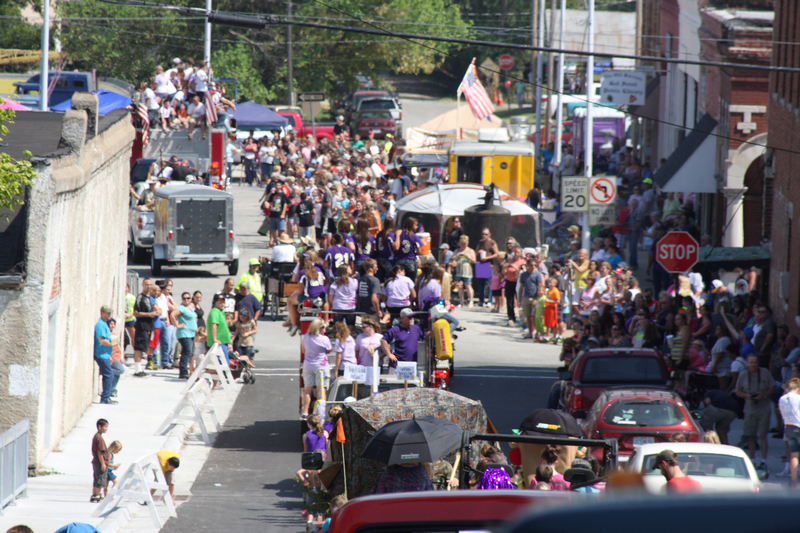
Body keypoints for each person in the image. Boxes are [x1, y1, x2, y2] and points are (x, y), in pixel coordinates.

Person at [736, 353, 775, 468]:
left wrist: (763, 395)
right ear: (747, 364)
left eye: (755, 362)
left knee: (763, 435)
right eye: (751, 363)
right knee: (750, 436)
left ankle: (764, 461)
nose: (753, 365)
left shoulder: (765, 373)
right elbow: (738, 392)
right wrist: (746, 395)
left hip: (763, 409)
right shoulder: (743, 375)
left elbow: (772, 387)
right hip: (749, 410)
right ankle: (752, 460)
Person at [300, 318, 331, 418]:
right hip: (321, 367)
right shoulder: (324, 339)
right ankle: (319, 413)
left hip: (308, 366)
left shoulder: (305, 337)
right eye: (323, 327)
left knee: (307, 389)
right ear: (318, 328)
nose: (325, 328)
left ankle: (305, 412)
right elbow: (329, 350)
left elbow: (303, 350)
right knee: (321, 390)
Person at [132, 278, 157, 377]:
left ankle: (140, 368)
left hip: (148, 327)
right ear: (142, 285)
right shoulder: (140, 297)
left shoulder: (149, 298)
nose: (149, 287)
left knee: (144, 348)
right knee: (139, 348)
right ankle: (137, 370)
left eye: (150, 285)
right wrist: (148, 314)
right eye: (147, 285)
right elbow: (136, 313)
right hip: (141, 326)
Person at [171, 292, 198, 379]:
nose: (186, 300)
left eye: (188, 298)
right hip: (184, 333)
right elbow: (172, 315)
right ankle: (183, 372)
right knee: (187, 351)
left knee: (189, 352)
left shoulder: (190, 307)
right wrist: (177, 325)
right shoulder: (181, 308)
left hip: (191, 333)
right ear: (182, 299)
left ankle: (187, 370)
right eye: (184, 298)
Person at [779, 378, 800, 486]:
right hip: (798, 426)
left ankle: (793, 479)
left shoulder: (782, 399)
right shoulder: (798, 398)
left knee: (794, 455)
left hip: (788, 427)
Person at [94, 305, 117, 405]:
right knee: (109, 375)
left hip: (105, 354)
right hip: (101, 354)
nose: (109, 315)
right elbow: (101, 340)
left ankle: (106, 396)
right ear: (102, 313)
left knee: (108, 375)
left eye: (110, 313)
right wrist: (112, 344)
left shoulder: (104, 324)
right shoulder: (100, 325)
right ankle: (105, 398)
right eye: (107, 313)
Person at [518, 259, 543, 340]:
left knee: (534, 316)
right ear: (527, 265)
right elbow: (521, 287)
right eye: (531, 265)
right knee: (528, 316)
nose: (533, 267)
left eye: (535, 265)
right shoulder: (523, 275)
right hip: (526, 297)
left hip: (534, 297)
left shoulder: (537, 274)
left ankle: (535, 332)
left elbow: (540, 287)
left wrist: (536, 299)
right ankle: (530, 332)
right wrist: (519, 299)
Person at [474, 228, 499, 307]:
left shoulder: (492, 242)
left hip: (488, 264)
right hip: (481, 264)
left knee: (489, 283)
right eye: (483, 234)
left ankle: (490, 301)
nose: (484, 236)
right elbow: (476, 251)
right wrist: (479, 252)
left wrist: (487, 258)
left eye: (486, 234)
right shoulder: (480, 242)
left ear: (489, 234)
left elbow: (496, 254)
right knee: (481, 284)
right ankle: (481, 300)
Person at [502, 242, 525, 327]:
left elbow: (520, 273)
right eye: (515, 253)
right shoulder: (510, 261)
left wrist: (515, 267)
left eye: (518, 253)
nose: (516, 254)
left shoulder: (522, 262)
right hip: (509, 281)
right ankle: (511, 317)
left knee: (519, 300)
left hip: (518, 283)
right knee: (509, 300)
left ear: (520, 254)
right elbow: (505, 273)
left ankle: (522, 318)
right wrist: (505, 267)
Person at [207, 293, 233, 365]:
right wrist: (215, 339)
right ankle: (201, 374)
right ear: (215, 303)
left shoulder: (221, 312)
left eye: (223, 302)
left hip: (223, 343)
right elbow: (214, 324)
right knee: (221, 364)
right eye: (220, 302)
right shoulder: (215, 311)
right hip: (218, 344)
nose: (222, 304)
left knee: (224, 364)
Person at [453, 235, 476, 307]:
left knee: (468, 285)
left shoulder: (471, 250)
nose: (463, 245)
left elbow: (474, 261)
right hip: (459, 271)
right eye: (462, 244)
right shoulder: (457, 250)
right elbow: (453, 259)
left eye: (464, 244)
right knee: (459, 286)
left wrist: (467, 256)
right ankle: (461, 301)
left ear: (467, 243)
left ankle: (471, 301)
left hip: (467, 271)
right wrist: (458, 255)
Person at [91, 418, 110, 502]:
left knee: (96, 479)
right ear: (100, 426)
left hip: (96, 462)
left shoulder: (97, 436)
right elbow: (100, 452)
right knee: (100, 480)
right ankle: (97, 495)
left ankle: (94, 495)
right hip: (99, 463)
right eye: (105, 427)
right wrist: (103, 464)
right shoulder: (99, 438)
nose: (106, 428)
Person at [358, 259, 383, 323]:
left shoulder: (361, 279)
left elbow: (358, 295)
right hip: (372, 311)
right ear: (370, 268)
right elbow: (374, 298)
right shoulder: (375, 280)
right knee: (374, 330)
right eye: (376, 267)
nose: (377, 269)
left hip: (363, 310)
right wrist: (378, 311)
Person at [107, 319, 125, 398]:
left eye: (114, 324)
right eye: (111, 324)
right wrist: (109, 356)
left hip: (117, 356)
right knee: (120, 370)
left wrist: (121, 356)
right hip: (113, 356)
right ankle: (106, 371)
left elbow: (117, 345)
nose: (113, 326)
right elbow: (106, 346)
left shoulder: (113, 334)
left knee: (117, 375)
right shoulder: (107, 334)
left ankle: (113, 390)